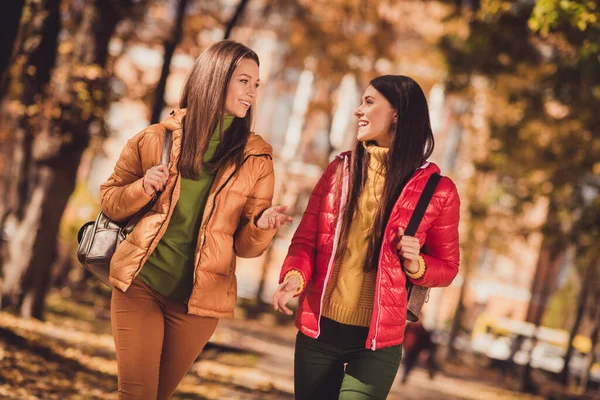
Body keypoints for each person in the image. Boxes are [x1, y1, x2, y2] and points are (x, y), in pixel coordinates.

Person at [100, 40, 292, 400]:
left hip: (198, 305)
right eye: (244, 81)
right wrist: (143, 188)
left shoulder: (257, 160)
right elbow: (111, 200)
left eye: (256, 85)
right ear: (217, 78)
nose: (252, 92)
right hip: (141, 284)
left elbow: (245, 248)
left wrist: (260, 227)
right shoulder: (157, 138)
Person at [273, 75, 460, 399]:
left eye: (369, 102)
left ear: (398, 113)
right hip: (318, 332)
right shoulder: (339, 171)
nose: (358, 111)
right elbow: (305, 241)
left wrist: (417, 264)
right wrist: (294, 277)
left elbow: (448, 266)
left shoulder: (438, 190)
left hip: (376, 343)